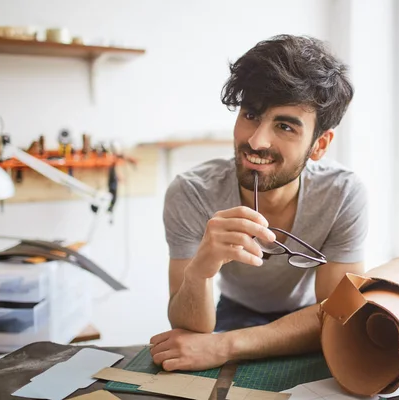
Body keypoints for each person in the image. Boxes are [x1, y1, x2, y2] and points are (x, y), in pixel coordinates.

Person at [149, 34, 368, 372]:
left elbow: (337, 312)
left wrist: (229, 344)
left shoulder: (342, 194)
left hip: (306, 317)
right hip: (231, 311)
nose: (256, 140)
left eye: (284, 126)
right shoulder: (191, 193)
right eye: (251, 115)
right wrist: (200, 270)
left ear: (319, 145)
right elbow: (191, 330)